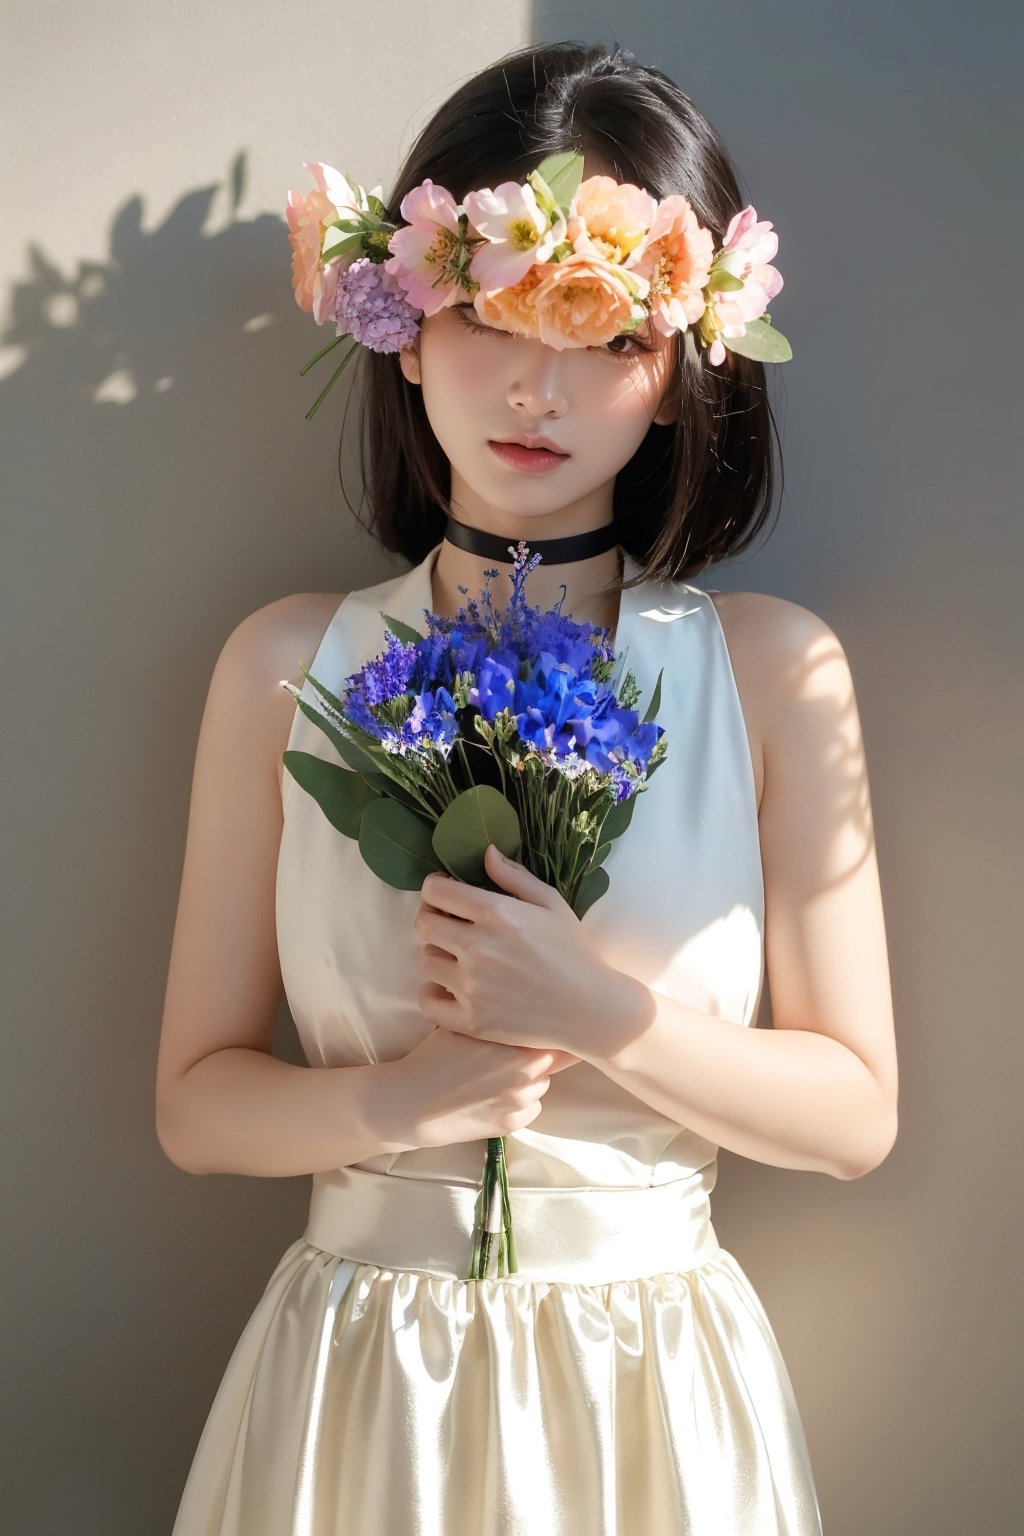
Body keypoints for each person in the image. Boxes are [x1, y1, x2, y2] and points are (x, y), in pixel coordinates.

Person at [157, 38, 898, 1536]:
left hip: (654, 1392)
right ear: (409, 325)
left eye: (610, 336)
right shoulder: (284, 665)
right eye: (499, 314)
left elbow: (854, 1114)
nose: (541, 388)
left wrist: (602, 1014)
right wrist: (400, 1101)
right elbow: (195, 1105)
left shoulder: (772, 670)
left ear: (685, 372)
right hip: (366, 1378)